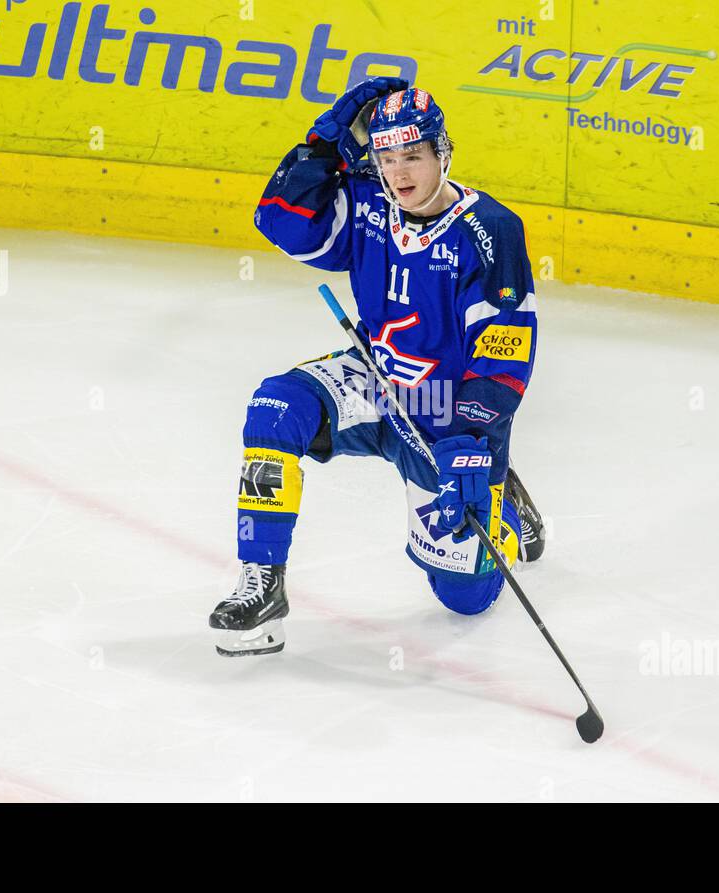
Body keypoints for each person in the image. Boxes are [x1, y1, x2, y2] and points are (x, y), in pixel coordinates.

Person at [209, 76, 546, 656]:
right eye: (386, 157)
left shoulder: (490, 230)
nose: (399, 173)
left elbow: (504, 348)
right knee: (275, 407)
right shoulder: (367, 200)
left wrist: (473, 438)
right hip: (374, 379)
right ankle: (261, 584)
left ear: (443, 154)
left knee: (464, 597)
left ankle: (504, 509)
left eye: (413, 156)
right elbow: (279, 221)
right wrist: (323, 144)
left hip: (446, 412)